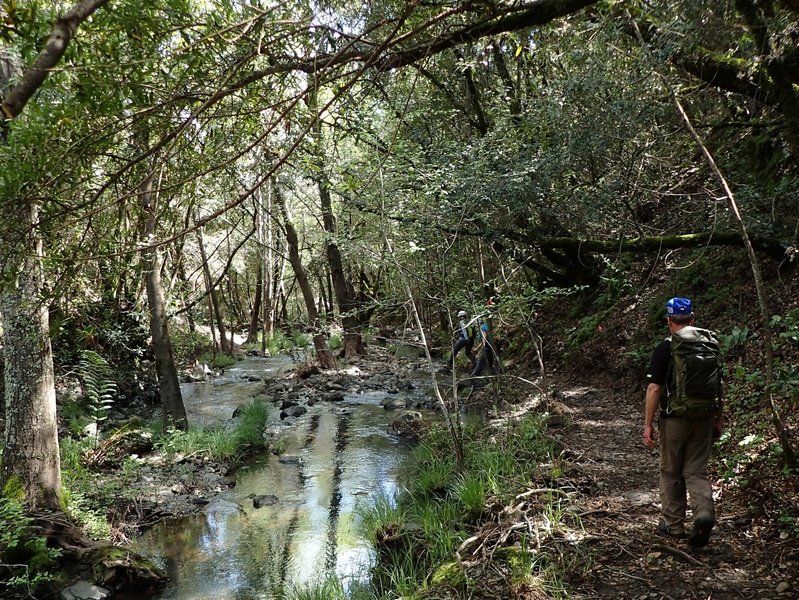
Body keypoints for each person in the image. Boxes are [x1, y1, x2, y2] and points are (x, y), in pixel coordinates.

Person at [643, 297, 722, 548]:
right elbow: (720, 385)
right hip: (704, 417)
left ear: (669, 321)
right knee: (696, 470)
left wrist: (648, 424)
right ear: (692, 318)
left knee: (670, 471)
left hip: (674, 419)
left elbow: (655, 388)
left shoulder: (666, 347)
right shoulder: (710, 344)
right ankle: (703, 514)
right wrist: (718, 418)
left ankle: (674, 526)